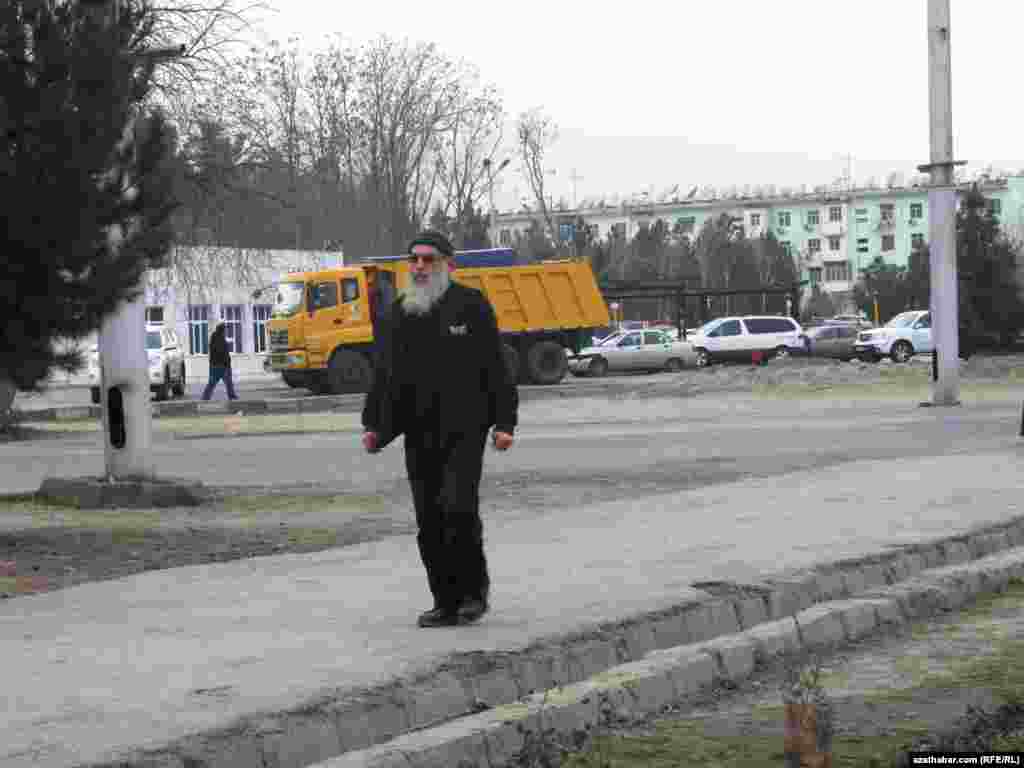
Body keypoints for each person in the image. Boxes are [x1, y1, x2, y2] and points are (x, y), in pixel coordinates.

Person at [361, 230, 518, 628]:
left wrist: (504, 422)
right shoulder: (401, 311)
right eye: (413, 259)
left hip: (465, 428)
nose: (419, 266)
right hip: (419, 433)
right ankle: (444, 600)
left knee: (458, 507)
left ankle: (472, 594)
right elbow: (386, 377)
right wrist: (375, 426)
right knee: (429, 519)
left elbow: (496, 368)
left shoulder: (471, 306)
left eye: (428, 259)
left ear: (450, 264)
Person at [202, 322, 238, 401]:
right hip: (221, 365)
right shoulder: (219, 338)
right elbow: (223, 352)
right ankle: (231, 396)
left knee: (213, 383)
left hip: (216, 365)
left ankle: (205, 397)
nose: (226, 331)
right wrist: (227, 362)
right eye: (225, 329)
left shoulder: (215, 337)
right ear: (222, 330)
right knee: (227, 382)